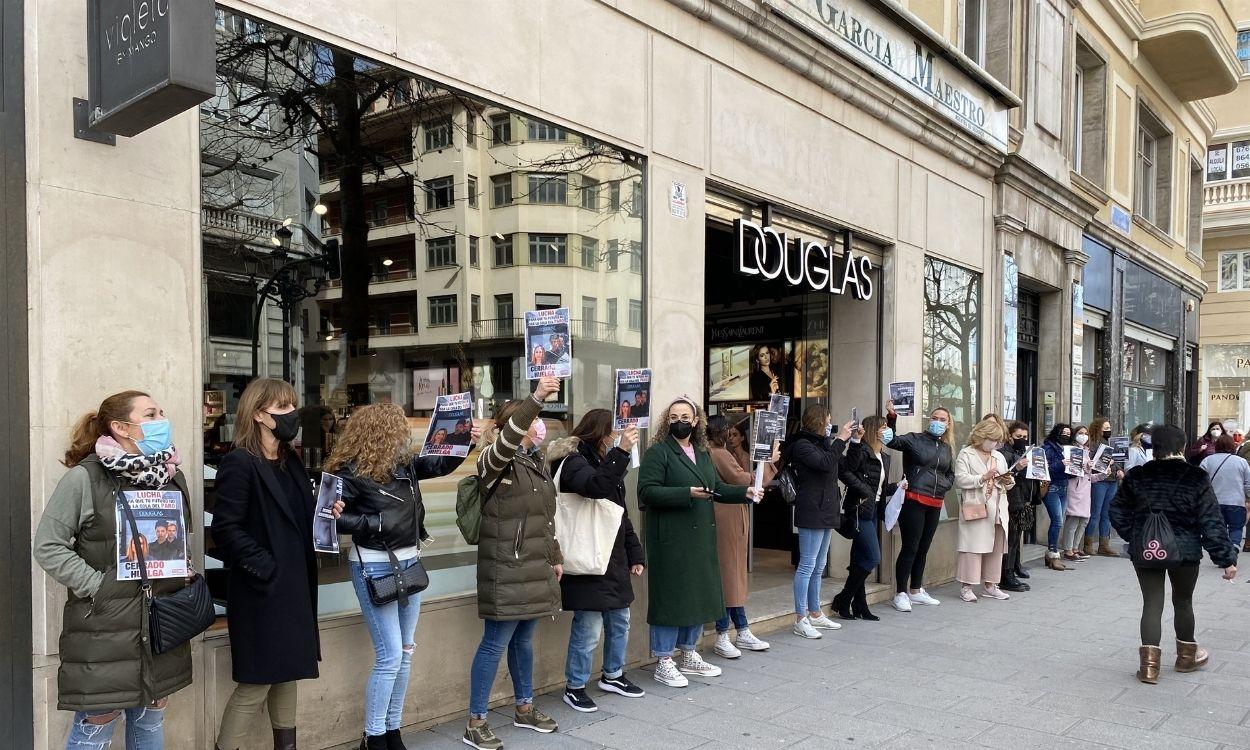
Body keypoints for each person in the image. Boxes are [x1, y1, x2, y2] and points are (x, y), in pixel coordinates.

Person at [33, 390, 194, 750]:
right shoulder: (85, 479)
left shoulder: (171, 477)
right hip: (105, 627)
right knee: (97, 723)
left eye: (161, 412)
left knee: (152, 717)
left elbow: (180, 541)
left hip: (160, 622)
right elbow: (48, 545)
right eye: (150, 414)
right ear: (121, 426)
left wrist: (180, 571)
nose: (161, 421)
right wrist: (97, 585)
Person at [328, 403, 478, 750]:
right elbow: (329, 518)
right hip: (374, 564)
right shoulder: (350, 473)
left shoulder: (405, 465)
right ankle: (374, 736)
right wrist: (376, 524)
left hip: (409, 563)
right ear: (382, 432)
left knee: (405, 651)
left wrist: (463, 442)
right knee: (391, 655)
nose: (405, 435)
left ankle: (393, 731)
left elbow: (438, 463)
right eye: (398, 429)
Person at [211, 378, 342, 750]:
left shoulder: (290, 460)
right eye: (283, 408)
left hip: (295, 587)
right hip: (261, 592)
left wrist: (327, 513)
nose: (292, 415)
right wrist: (265, 566)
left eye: (292, 406)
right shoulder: (240, 463)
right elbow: (225, 528)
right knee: (255, 682)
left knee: (288, 674)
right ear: (258, 415)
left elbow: (299, 517)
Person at [463, 377, 564, 750]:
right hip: (505, 567)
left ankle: (524, 707)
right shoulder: (494, 460)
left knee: (524, 640)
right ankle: (476, 720)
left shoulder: (533, 461)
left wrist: (555, 558)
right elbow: (505, 441)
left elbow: (544, 518)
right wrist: (536, 397)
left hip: (533, 565)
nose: (538, 425)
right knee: (494, 643)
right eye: (531, 420)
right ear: (515, 425)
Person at [637, 396, 759, 688]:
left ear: (696, 421)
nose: (680, 421)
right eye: (674, 416)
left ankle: (688, 653)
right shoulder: (658, 453)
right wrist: (685, 493)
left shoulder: (702, 453)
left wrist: (747, 493)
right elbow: (647, 492)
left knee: (697, 595)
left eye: (685, 416)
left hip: (701, 538)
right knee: (671, 600)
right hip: (671, 540)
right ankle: (664, 660)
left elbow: (716, 489)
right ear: (668, 421)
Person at [1110, 424, 1237, 684]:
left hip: (1147, 549)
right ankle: (1186, 658)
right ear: (1181, 446)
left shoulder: (1137, 475)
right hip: (1186, 550)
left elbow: (1117, 511)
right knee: (1183, 601)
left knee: (1152, 603)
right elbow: (1211, 520)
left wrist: (1136, 535)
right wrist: (1226, 559)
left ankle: (1149, 668)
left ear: (1154, 447)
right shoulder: (1196, 477)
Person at [545, 410, 647, 714]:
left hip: (611, 556)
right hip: (586, 556)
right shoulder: (573, 460)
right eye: (612, 432)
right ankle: (574, 686)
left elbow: (619, 513)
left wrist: (635, 552)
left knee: (620, 620)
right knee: (588, 626)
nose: (616, 437)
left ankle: (613, 675)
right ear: (599, 433)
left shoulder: (606, 460)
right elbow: (596, 487)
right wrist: (623, 452)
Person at [706, 416, 775, 657]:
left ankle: (740, 629)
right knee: (730, 576)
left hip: (728, 516)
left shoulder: (716, 452)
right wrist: (769, 463)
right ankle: (727, 632)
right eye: (728, 431)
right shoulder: (719, 453)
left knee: (732, 576)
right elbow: (744, 480)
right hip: (728, 518)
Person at [788, 405, 856, 636]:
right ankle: (800, 617)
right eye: (827, 419)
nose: (830, 423)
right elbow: (824, 463)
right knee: (807, 565)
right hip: (812, 509)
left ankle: (815, 612)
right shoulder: (802, 445)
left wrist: (852, 442)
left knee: (819, 566)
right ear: (818, 421)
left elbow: (841, 465)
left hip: (828, 508)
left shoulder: (825, 443)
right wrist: (840, 439)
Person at [885, 401, 956, 611]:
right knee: (910, 547)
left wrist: (945, 485)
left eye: (942, 420)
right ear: (929, 420)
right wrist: (891, 417)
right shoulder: (915, 439)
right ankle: (901, 593)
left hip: (936, 502)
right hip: (914, 500)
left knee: (923, 548)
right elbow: (892, 441)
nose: (938, 422)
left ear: (948, 424)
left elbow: (949, 472)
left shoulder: (946, 448)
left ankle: (916, 590)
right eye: (935, 418)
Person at [834, 415, 900, 620]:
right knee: (872, 557)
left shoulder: (884, 457)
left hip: (874, 510)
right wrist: (865, 491)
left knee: (860, 558)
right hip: (859, 510)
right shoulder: (862, 451)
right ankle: (843, 599)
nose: (886, 430)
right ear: (873, 430)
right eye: (883, 427)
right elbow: (846, 472)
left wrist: (897, 487)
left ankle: (859, 604)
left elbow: (878, 488)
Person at [953, 418, 1015, 602]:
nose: (994, 443)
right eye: (991, 439)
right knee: (972, 547)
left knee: (995, 548)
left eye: (997, 440)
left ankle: (991, 585)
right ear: (981, 436)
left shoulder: (999, 456)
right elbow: (960, 479)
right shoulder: (966, 454)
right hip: (976, 505)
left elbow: (1009, 483)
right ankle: (967, 586)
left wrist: (1007, 480)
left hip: (997, 507)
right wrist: (982, 477)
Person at [1060, 425, 1110, 563]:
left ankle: (1076, 548)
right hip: (1074, 488)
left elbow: (1090, 477)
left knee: (1083, 521)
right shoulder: (1071, 450)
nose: (1083, 435)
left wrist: (1102, 475)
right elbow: (1072, 470)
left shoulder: (1087, 451)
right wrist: (1084, 466)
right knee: (1073, 520)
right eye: (1080, 433)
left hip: (1085, 490)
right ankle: (1068, 549)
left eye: (1085, 433)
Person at [999, 421, 1037, 591]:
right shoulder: (1003, 453)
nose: (1022, 440)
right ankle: (1005, 576)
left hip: (1023, 497)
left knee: (1016, 537)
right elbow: (1003, 475)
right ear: (1010, 436)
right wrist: (1017, 469)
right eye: (1018, 436)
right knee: (1010, 538)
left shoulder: (1023, 451)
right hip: (1011, 498)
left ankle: (1013, 569)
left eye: (1025, 437)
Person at [1198, 434, 1250, 549]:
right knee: (1235, 528)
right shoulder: (1242, 462)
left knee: (1217, 529)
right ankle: (1234, 549)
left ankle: (1222, 554)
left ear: (1217, 446)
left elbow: (1199, 482)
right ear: (1232, 446)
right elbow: (1248, 484)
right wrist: (1248, 499)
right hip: (1236, 502)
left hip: (1214, 503)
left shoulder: (1207, 461)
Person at [1086, 417, 1123, 557]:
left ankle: (1104, 545)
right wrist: (1106, 462)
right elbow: (1091, 463)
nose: (1108, 430)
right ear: (1098, 429)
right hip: (1099, 481)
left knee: (1107, 513)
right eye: (1105, 428)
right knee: (1095, 512)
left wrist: (1119, 469)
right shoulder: (1093, 444)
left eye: (1109, 428)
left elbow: (1117, 460)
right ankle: (1088, 544)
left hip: (1112, 480)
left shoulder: (1111, 443)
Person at [1040, 423, 1073, 571]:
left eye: (1068, 433)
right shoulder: (1048, 448)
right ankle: (1053, 554)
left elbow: (1070, 473)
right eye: (1063, 432)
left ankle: (1051, 555)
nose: (1066, 435)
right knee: (1058, 521)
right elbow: (1045, 469)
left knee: (1059, 521)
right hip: (1052, 487)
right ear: (1057, 433)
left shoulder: (1069, 449)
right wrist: (1061, 463)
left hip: (1064, 486)